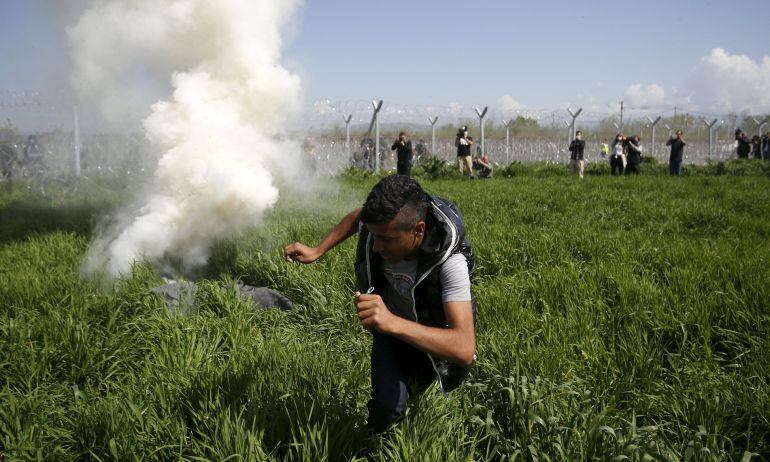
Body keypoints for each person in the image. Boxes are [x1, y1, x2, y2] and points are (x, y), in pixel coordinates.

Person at [283, 175, 476, 433]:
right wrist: (318, 250)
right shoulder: (384, 225)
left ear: (418, 230)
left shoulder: (450, 264)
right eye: (373, 236)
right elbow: (359, 216)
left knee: (417, 387)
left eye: (386, 239)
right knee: (387, 409)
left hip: (430, 336)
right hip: (390, 330)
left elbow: (463, 347)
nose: (375, 247)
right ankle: (372, 445)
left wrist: (391, 321)